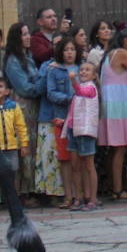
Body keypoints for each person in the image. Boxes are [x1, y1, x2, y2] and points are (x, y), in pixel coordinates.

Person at [96, 27, 127, 202]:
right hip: (120, 103)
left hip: (112, 102)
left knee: (115, 149)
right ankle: (117, 188)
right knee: (120, 148)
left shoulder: (109, 54)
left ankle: (115, 184)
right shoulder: (122, 53)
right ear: (126, 40)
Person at [1, 22, 41, 202]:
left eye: (28, 34)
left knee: (33, 147)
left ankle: (33, 186)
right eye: (23, 34)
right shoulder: (13, 61)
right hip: (23, 106)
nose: (27, 37)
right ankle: (25, 190)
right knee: (25, 147)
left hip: (33, 107)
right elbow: (24, 88)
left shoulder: (28, 57)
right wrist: (41, 85)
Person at [35, 36, 77, 205]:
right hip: (57, 117)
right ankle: (61, 194)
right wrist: (72, 98)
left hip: (78, 119)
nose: (68, 52)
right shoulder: (49, 68)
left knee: (77, 157)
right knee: (59, 157)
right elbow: (44, 91)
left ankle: (79, 194)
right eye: (64, 48)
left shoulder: (80, 68)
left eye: (71, 49)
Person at [0, 76, 29, 213]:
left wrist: (24, 144)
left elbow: (21, 126)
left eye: (0, 86)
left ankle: (14, 200)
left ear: (7, 91)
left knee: (13, 173)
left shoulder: (13, 106)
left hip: (11, 146)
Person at [61, 61, 99, 211]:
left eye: (87, 70)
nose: (83, 72)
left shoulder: (91, 88)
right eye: (82, 69)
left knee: (89, 165)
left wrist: (73, 80)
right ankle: (79, 197)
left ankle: (93, 198)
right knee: (75, 165)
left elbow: (81, 92)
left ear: (94, 75)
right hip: (74, 129)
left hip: (85, 130)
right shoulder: (80, 88)